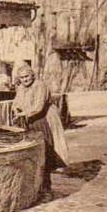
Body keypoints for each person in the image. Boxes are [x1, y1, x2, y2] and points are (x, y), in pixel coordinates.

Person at [11, 64, 68, 201]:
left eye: (27, 76)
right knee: (32, 153)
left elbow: (38, 107)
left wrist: (23, 113)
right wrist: (16, 109)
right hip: (29, 121)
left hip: (43, 120)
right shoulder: (21, 88)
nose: (25, 80)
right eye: (22, 77)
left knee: (45, 152)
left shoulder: (40, 86)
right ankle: (35, 187)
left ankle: (47, 188)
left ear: (33, 75)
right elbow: (16, 102)